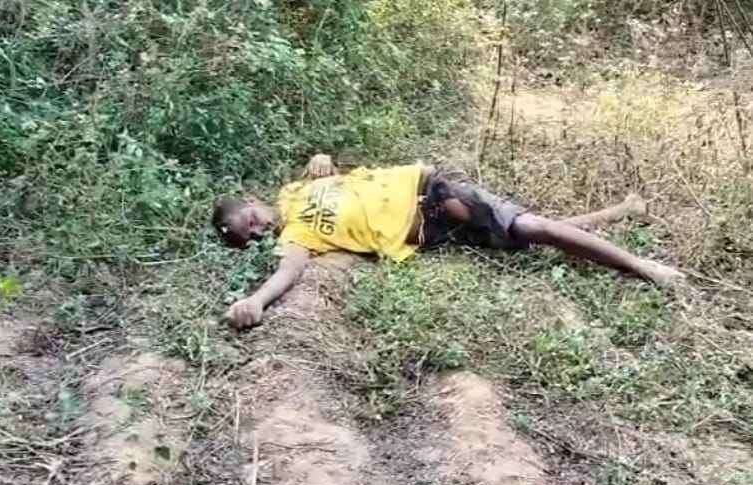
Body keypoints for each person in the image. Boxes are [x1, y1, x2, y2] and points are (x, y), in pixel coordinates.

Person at [213, 153, 684, 329]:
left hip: (429, 189)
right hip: (432, 231)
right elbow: (289, 270)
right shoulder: (296, 236)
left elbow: (339, 175)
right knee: (531, 230)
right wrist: (256, 300)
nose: (257, 230)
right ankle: (623, 211)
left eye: (250, 219)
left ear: (254, 201)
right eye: (247, 236)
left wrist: (322, 158)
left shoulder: (294, 191)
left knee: (534, 229)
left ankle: (642, 267)